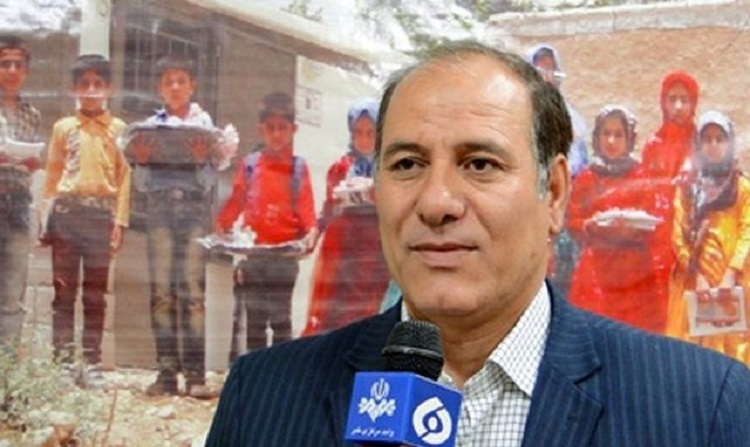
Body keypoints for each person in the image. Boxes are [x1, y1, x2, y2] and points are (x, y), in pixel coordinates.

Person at [206, 40, 750, 446]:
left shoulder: (700, 407)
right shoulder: (263, 399)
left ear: (554, 193)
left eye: (480, 164)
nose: (436, 202)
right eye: (408, 164)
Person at [126, 54, 237, 398]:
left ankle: (195, 375)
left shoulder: (205, 126)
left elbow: (208, 183)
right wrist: (142, 161)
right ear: (159, 89)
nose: (175, 87)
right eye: (168, 82)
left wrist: (202, 158)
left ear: (193, 86)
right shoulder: (149, 126)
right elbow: (142, 184)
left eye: (181, 81)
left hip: (193, 212)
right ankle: (166, 373)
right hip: (160, 209)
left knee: (192, 291)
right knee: (162, 291)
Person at [42, 54, 130, 387]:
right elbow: (52, 176)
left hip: (100, 217)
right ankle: (63, 363)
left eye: (98, 84)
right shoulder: (64, 128)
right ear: (74, 89)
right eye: (84, 84)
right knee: (64, 292)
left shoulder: (119, 129)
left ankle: (91, 363)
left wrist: (119, 222)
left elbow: (124, 177)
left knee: (95, 294)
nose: (91, 90)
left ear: (110, 88)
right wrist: (46, 220)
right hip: (67, 215)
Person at [216, 91, 317, 361]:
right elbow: (237, 200)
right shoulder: (250, 166)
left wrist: (311, 232)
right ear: (261, 130)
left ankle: (282, 375)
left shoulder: (298, 169)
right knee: (255, 322)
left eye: (282, 128)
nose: (276, 134)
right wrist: (222, 226)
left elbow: (307, 209)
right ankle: (257, 375)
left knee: (281, 320)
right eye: (270, 128)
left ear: (293, 130)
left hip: (284, 259)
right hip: (255, 257)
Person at [567, 105, 662, 332]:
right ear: (597, 137)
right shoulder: (586, 178)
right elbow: (572, 220)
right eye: (606, 134)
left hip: (634, 273)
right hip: (596, 272)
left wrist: (631, 227)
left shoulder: (640, 177)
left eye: (618, 135)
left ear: (629, 139)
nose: (611, 141)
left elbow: (654, 219)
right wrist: (590, 225)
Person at [666, 110, 750, 365]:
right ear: (698, 144)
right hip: (694, 286)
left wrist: (731, 273)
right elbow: (678, 236)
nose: (713, 145)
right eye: (707, 139)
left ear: (730, 142)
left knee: (734, 356)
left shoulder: (741, 188)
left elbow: (747, 231)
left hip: (734, 287)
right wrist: (697, 276)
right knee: (692, 360)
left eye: (719, 139)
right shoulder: (687, 188)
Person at [302, 99, 390, 336]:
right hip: (342, 246)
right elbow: (328, 208)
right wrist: (314, 233)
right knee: (332, 305)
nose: (364, 139)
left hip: (374, 249)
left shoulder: (388, 169)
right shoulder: (341, 167)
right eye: (358, 132)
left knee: (368, 306)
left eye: (370, 133)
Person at [527, 43, 587, 300]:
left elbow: (581, 166)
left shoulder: (573, 121)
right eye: (539, 69)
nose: (546, 76)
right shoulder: (516, 117)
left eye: (551, 70)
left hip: (564, 210)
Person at [641, 70, 700, 330]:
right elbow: (646, 190)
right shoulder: (653, 144)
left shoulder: (702, 142)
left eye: (684, 100)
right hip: (660, 236)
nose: (678, 106)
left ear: (693, 104)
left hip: (693, 232)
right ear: (663, 102)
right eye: (672, 99)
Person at [0, 35, 41, 353]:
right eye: (5, 64)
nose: (12, 70)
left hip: (17, 203)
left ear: (26, 71)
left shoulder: (32, 114)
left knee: (13, 289)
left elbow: (33, 160)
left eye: (18, 65)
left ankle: (7, 369)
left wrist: (30, 162)